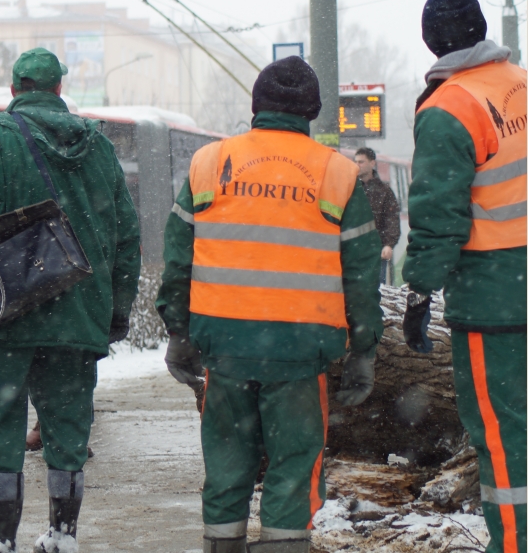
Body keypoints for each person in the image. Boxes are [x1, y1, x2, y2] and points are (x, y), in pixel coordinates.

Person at [157, 56, 384, 553]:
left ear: (256, 105)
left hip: (226, 344)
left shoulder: (209, 163)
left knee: (227, 463)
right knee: (293, 467)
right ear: (313, 111)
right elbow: (363, 274)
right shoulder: (338, 174)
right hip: (300, 351)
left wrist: (178, 332)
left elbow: (178, 259)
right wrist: (364, 347)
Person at [0, 48, 141, 553]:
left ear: (14, 88)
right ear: (59, 90)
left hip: (8, 311)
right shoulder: (100, 149)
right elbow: (127, 235)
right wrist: (116, 308)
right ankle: (63, 533)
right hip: (78, 312)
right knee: (68, 423)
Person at [403, 0, 526, 551]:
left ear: (432, 41)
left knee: (504, 436)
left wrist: (419, 291)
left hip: (494, 295)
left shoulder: (450, 108)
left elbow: (438, 216)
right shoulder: (521, 82)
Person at [354, 147, 400, 284]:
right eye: (355, 162)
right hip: (353, 250)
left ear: (372, 163)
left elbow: (392, 218)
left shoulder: (384, 191)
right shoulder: (350, 187)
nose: (357, 165)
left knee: (376, 289)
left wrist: (388, 244)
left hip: (376, 250)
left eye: (361, 162)